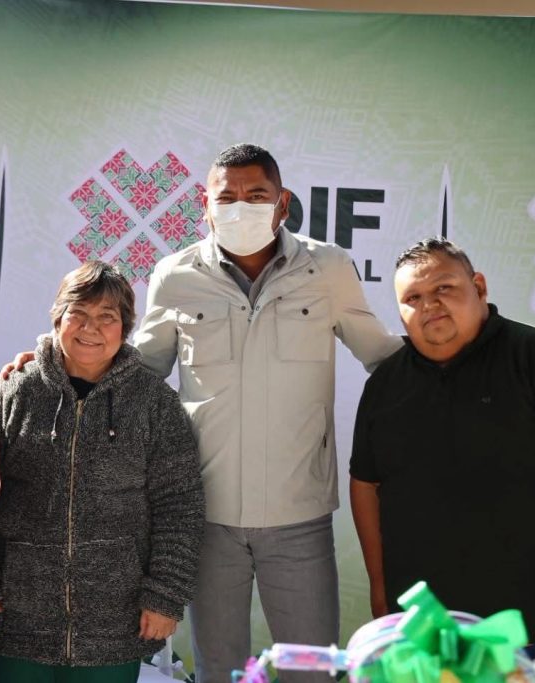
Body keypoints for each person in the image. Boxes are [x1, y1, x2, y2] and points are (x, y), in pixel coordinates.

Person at [132, 144, 402, 682]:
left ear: (283, 202)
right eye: (226, 197)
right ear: (205, 205)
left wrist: (467, 360)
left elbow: (382, 356)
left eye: (256, 195)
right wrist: (55, 361)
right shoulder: (175, 275)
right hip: (205, 518)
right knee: (219, 670)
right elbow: (139, 371)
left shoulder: (328, 267)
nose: (241, 208)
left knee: (312, 672)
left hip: (299, 517)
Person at [350, 237, 535, 666]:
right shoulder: (385, 386)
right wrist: (380, 584)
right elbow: (366, 484)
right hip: (429, 629)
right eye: (413, 298)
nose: (429, 305)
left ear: (478, 287)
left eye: (444, 288)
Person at [0, 260, 205, 683]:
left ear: (125, 327)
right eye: (77, 313)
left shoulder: (154, 403)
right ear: (57, 318)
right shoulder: (15, 390)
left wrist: (165, 595)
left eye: (107, 317)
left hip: (115, 626)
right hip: (16, 620)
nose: (90, 328)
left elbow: (180, 505)